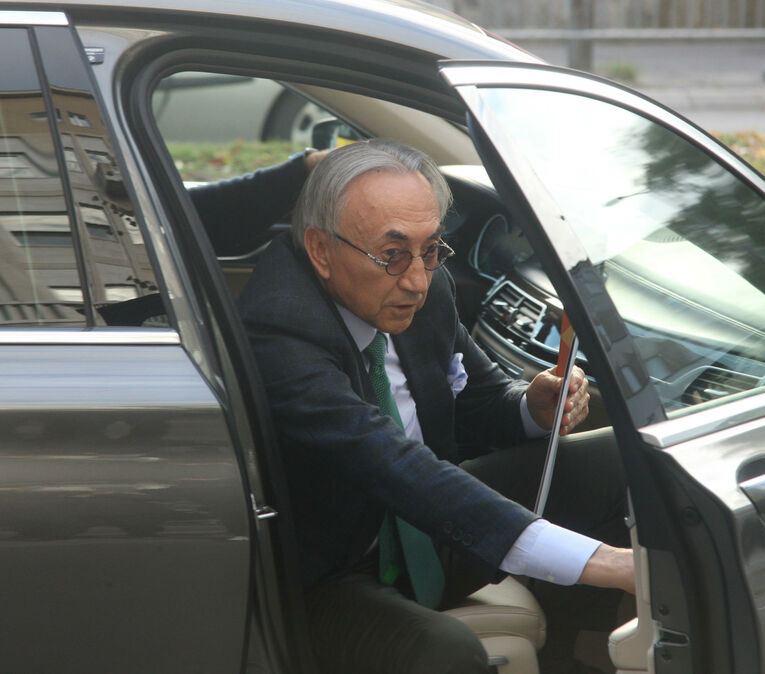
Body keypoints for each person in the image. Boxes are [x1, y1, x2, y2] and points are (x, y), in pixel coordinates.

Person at [236, 138, 633, 673]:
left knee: (626, 460)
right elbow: (391, 463)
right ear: (321, 250)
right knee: (447, 652)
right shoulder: (278, 328)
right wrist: (606, 563)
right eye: (393, 254)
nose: (418, 281)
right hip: (334, 570)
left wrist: (530, 408)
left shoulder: (422, 283)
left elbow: (479, 400)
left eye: (431, 249)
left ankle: (583, 657)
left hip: (426, 524)